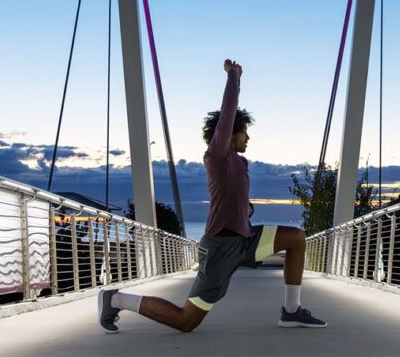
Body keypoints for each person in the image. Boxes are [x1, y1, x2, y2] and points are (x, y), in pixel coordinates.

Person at [97, 59, 326, 332]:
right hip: (220, 248)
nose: (248, 138)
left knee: (296, 238)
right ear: (230, 134)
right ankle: (116, 299)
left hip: (246, 239)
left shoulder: (239, 163)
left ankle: (291, 311)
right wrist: (234, 78)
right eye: (244, 132)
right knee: (186, 320)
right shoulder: (217, 155)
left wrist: (244, 208)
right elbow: (228, 114)